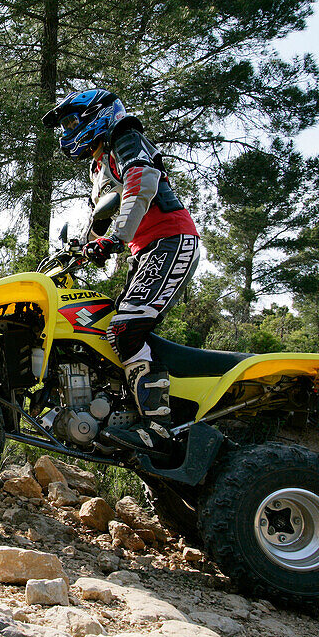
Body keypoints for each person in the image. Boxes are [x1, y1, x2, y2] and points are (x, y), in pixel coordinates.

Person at [42, 89, 199, 455]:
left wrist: (114, 239)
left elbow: (141, 183)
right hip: (143, 250)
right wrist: (80, 250)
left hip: (171, 239)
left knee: (126, 326)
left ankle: (158, 428)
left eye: (70, 121)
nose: (67, 131)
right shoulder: (98, 166)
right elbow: (101, 218)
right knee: (109, 329)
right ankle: (120, 413)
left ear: (95, 114)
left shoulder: (125, 137)